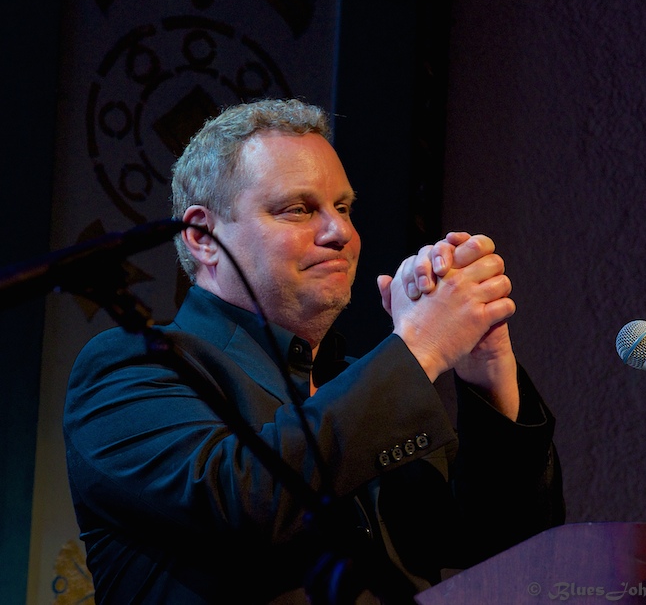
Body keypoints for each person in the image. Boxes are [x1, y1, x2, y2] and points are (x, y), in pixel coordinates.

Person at [63, 98, 564, 604]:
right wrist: (421, 346)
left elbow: (507, 551)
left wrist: (487, 364)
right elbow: (239, 503)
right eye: (298, 209)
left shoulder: (370, 388)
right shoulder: (132, 366)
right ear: (202, 236)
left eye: (344, 208)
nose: (340, 232)